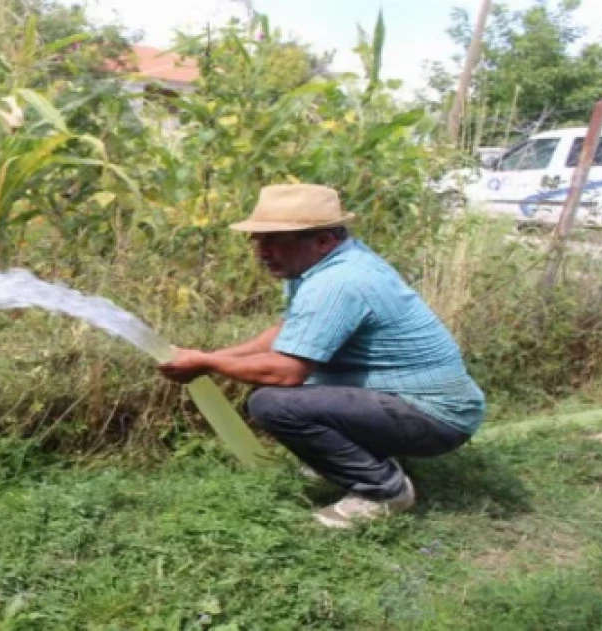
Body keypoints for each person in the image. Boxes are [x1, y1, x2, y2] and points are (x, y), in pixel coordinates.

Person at [157, 183, 485, 529]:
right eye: (257, 239)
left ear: (323, 240)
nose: (261, 251)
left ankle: (382, 491)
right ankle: (364, 460)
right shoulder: (324, 265)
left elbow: (286, 372)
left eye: (273, 240)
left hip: (435, 417)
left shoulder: (338, 281)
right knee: (299, 388)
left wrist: (207, 364)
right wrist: (212, 356)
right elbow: (287, 333)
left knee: (273, 402)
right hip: (425, 404)